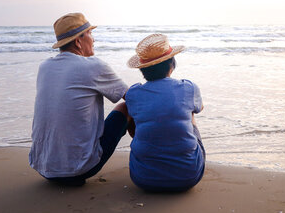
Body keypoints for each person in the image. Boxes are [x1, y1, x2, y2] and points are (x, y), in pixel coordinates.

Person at [29, 12, 130, 186]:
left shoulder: (45, 67)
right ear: (78, 41)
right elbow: (134, 98)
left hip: (43, 167)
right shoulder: (93, 66)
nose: (94, 39)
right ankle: (149, 158)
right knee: (127, 107)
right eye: (90, 34)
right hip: (77, 170)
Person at [126, 33, 205, 192]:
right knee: (189, 113)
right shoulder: (188, 88)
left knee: (137, 113)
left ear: (142, 70)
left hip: (143, 178)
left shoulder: (133, 93)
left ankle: (152, 153)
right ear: (172, 64)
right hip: (187, 177)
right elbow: (200, 107)